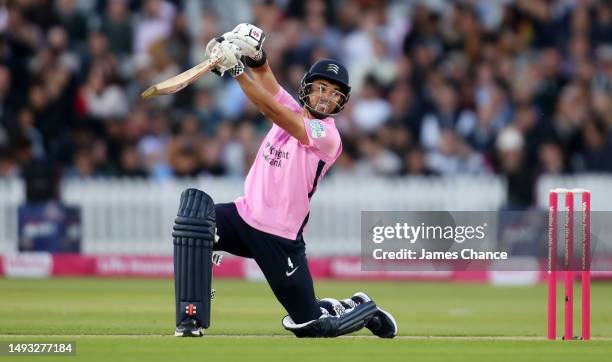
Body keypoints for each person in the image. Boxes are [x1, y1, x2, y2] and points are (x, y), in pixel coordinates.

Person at [171, 23, 397, 338]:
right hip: (244, 215)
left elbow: (270, 107)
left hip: (280, 236)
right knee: (194, 218)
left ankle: (362, 307)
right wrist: (256, 56)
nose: (325, 98)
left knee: (312, 326)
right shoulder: (294, 108)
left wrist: (236, 69)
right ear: (307, 88)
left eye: (334, 94)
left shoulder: (327, 135)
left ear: (341, 103)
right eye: (321, 88)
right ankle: (190, 319)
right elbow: (268, 83)